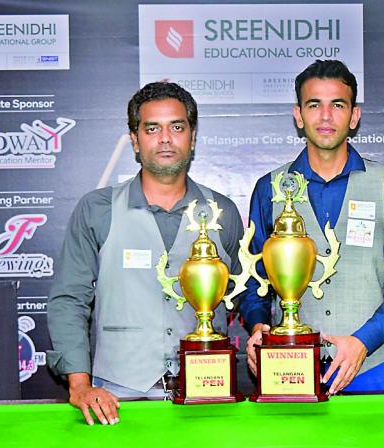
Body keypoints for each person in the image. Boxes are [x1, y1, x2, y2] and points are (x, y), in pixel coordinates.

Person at [47, 82, 242, 425]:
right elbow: (69, 300)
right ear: (135, 140)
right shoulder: (97, 209)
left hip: (207, 393)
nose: (165, 138)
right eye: (152, 128)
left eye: (177, 127)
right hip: (118, 398)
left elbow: (239, 296)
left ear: (192, 137)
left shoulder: (222, 213)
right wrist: (80, 384)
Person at [242, 60, 384, 395]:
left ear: (354, 116)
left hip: (369, 368)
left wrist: (363, 342)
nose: (325, 116)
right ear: (298, 115)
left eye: (337, 105)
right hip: (287, 368)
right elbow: (255, 280)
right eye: (314, 105)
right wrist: (259, 326)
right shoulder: (269, 188)